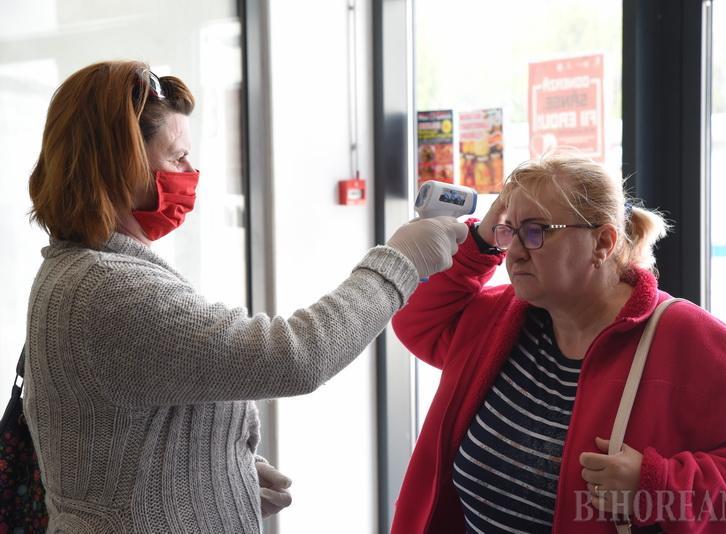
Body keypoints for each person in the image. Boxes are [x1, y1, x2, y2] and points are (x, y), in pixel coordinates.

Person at [24, 60, 467, 532]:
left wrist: (216, 475)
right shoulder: (107, 290)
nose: (190, 172)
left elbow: (130, 433)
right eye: (176, 157)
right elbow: (296, 357)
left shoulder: (84, 272)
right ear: (117, 165)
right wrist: (399, 262)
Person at [390, 152, 726, 533]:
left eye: (535, 231)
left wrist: (658, 486)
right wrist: (480, 243)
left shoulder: (689, 339)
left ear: (602, 243)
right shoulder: (500, 317)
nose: (514, 253)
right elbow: (417, 322)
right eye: (509, 231)